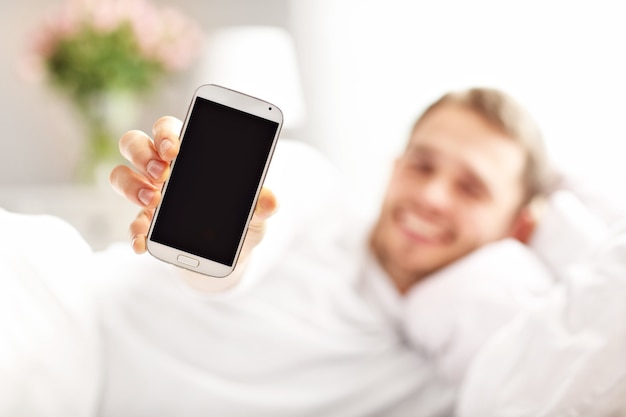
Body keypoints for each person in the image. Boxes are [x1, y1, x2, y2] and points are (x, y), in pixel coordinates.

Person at [97, 86, 556, 416]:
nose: (432, 196)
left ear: (519, 226)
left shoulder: (452, 368)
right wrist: (234, 238)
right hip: (74, 314)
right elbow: (225, 268)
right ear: (396, 167)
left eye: (471, 188)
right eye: (421, 165)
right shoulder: (317, 193)